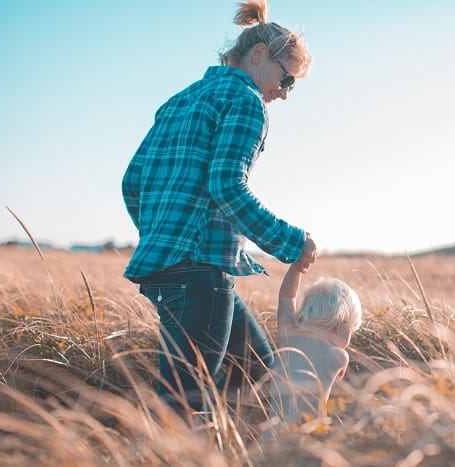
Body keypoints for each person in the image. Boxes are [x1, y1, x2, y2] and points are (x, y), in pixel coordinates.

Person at [121, 0, 316, 414]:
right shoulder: (247, 102)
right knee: (183, 409)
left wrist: (163, 236)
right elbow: (227, 186)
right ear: (260, 55)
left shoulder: (180, 100)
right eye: (288, 80)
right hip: (199, 273)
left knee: (261, 375)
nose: (284, 94)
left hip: (168, 268)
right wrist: (292, 242)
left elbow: (132, 182)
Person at [268, 259, 362, 426]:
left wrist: (296, 269)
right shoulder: (339, 356)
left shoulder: (289, 336)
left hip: (270, 431)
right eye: (352, 330)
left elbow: (287, 296)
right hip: (306, 434)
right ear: (340, 325)